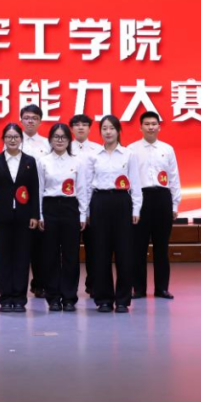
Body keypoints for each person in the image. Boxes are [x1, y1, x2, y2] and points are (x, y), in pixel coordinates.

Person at [86, 115, 142, 313]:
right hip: (99, 202)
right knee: (100, 252)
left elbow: (135, 183)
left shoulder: (128, 155)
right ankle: (103, 299)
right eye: (104, 128)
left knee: (124, 253)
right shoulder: (94, 155)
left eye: (111, 128)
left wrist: (136, 209)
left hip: (122, 202)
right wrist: (85, 212)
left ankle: (122, 300)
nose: (108, 132)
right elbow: (86, 186)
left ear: (118, 131)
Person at [37, 123, 91, 312]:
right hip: (49, 208)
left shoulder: (77, 162)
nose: (59, 140)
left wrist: (82, 214)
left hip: (70, 208)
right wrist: (40, 215)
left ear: (69, 140)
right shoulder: (43, 161)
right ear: (50, 140)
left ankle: (69, 297)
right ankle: (53, 297)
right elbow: (39, 189)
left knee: (71, 255)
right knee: (50, 255)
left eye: (63, 137)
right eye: (56, 137)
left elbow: (82, 189)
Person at [0, 122, 40, 313]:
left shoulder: (29, 161)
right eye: (8, 137)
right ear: (3, 139)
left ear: (21, 139)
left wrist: (35, 215)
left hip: (24, 217)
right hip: (2, 217)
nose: (12, 140)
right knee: (3, 258)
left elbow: (34, 189)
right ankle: (6, 298)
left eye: (16, 137)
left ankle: (19, 299)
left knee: (22, 258)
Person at [129, 111, 181, 300]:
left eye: (154, 124)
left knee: (161, 247)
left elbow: (174, 177)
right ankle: (139, 289)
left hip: (162, 198)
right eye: (147, 124)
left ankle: (162, 289)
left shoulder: (167, 149)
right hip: (141, 198)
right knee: (138, 247)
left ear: (159, 127)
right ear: (140, 127)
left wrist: (174, 205)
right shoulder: (131, 149)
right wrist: (133, 206)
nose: (150, 127)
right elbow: (129, 179)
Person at [19, 104, 51, 299]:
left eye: (34, 118)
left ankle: (40, 284)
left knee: (41, 246)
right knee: (23, 246)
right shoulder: (14, 140)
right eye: (27, 117)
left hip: (42, 198)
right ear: (21, 120)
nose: (30, 121)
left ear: (40, 121)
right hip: (20, 200)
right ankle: (19, 287)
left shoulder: (47, 144)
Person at [70, 113, 102, 295]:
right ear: (72, 128)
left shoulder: (98, 150)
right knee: (71, 250)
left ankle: (93, 284)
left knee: (94, 249)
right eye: (77, 124)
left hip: (93, 205)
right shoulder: (64, 148)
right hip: (70, 205)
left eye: (84, 124)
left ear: (90, 128)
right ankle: (70, 288)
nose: (80, 127)